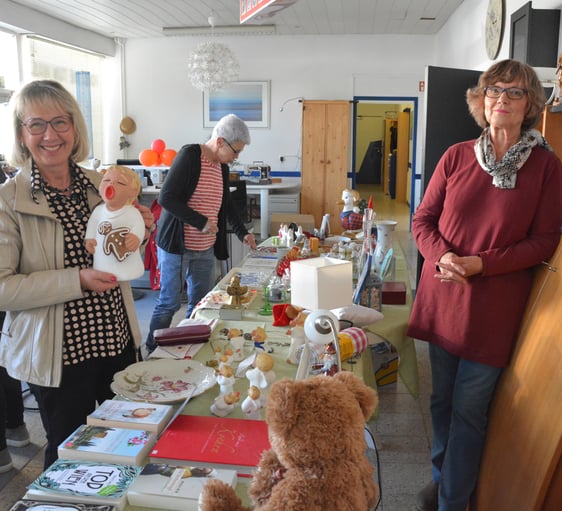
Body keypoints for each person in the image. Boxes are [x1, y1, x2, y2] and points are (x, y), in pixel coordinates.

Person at [407, 59, 561, 511]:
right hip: (443, 298)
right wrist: (444, 256)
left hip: (493, 311)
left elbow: (544, 242)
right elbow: (423, 220)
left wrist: (481, 265)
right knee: (440, 403)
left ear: (530, 103)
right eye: (494, 90)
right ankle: (442, 480)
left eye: (514, 93)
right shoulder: (456, 156)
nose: (502, 100)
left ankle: (452, 502)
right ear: (481, 100)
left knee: (468, 415)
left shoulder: (547, 168)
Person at [0, 79, 154, 468]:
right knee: (72, 456)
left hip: (117, 340)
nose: (50, 135)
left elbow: (117, 248)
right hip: (59, 357)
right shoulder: (9, 201)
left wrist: (141, 228)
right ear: (21, 133)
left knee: (130, 440)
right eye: (36, 124)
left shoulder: (99, 185)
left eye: (60, 122)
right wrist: (77, 279)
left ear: (75, 127)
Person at [144, 114, 257, 355]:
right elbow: (167, 198)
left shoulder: (222, 168)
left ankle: (189, 345)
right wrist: (202, 221)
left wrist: (243, 233)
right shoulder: (190, 156)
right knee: (169, 303)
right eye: (235, 151)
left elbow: (226, 205)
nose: (236, 157)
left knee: (200, 302)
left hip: (204, 248)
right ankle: (151, 349)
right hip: (177, 246)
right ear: (220, 142)